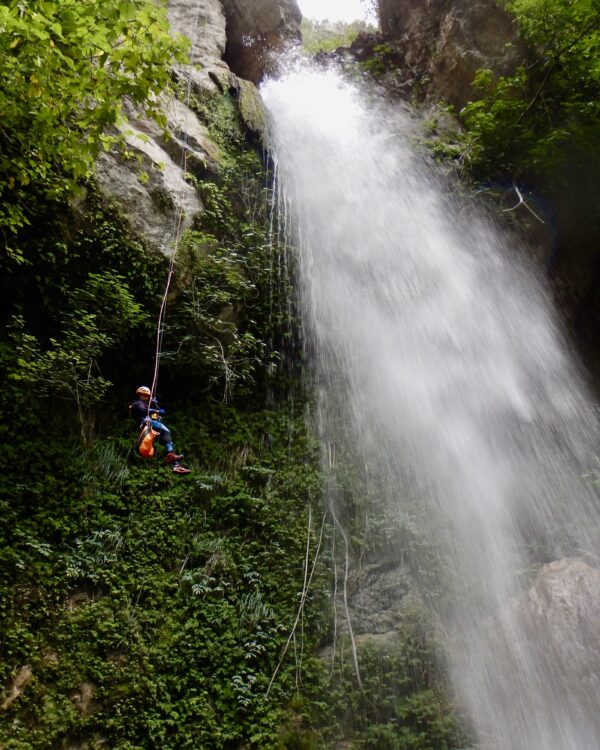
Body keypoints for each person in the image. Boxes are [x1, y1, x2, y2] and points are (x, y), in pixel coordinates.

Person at [130, 386, 191, 475]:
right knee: (166, 431)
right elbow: (142, 410)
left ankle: (176, 465)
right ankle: (172, 458)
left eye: (147, 396)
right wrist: (156, 410)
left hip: (150, 425)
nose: (146, 398)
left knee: (168, 442)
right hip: (147, 424)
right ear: (139, 395)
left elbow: (157, 412)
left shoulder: (145, 405)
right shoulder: (137, 403)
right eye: (144, 395)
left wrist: (155, 405)